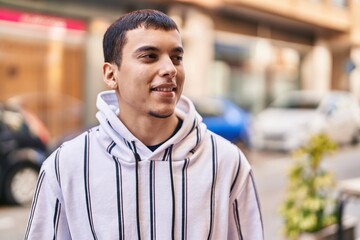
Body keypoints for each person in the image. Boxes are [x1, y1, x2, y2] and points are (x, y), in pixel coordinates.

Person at [25, 9, 264, 239]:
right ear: (111, 75)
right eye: (149, 56)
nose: (170, 69)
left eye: (177, 57)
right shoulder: (66, 165)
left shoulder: (226, 162)